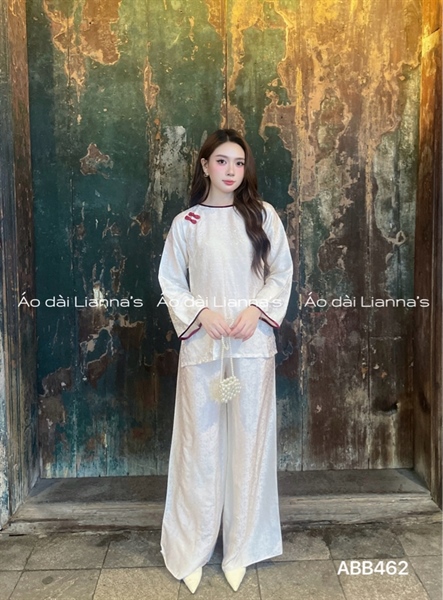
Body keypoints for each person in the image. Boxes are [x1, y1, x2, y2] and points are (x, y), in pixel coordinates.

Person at [158, 128, 293, 593]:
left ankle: (241, 547)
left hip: (251, 346)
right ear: (205, 166)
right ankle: (192, 546)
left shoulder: (263, 216)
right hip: (203, 347)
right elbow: (171, 281)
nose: (231, 170)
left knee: (250, 443)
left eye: (238, 162)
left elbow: (281, 273)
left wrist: (256, 310)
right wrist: (200, 313)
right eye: (221, 161)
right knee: (199, 444)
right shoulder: (187, 223)